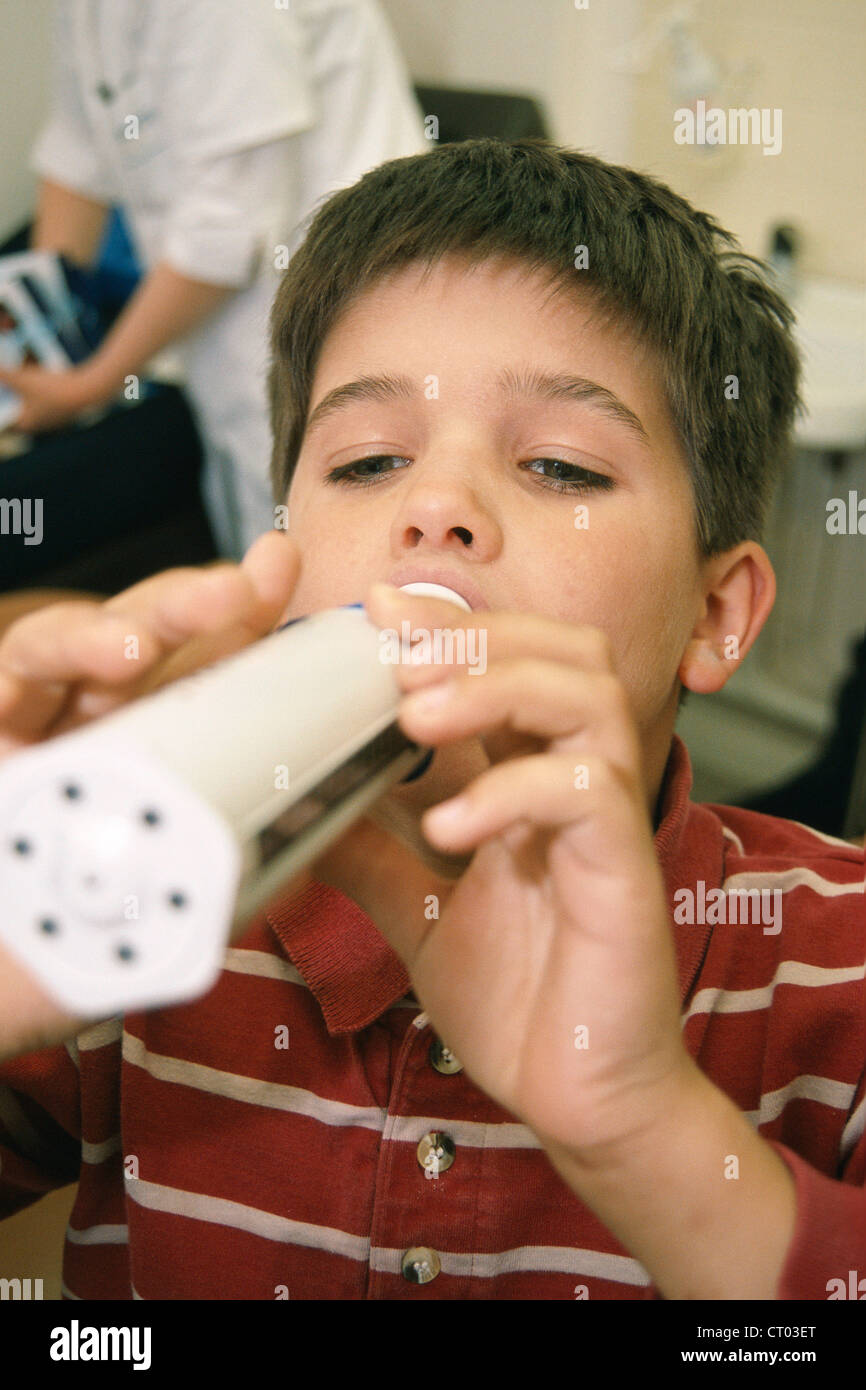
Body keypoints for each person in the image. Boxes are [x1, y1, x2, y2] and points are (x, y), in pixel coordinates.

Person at [0, 140, 863, 1301]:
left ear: (713, 612)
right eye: (365, 462)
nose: (435, 507)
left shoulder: (834, 975)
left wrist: (640, 1130)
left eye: (557, 464)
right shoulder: (151, 921)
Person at [0, 0, 426, 560]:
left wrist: (87, 386)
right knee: (265, 577)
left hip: (335, 322)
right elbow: (78, 155)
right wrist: (38, 330)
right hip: (226, 348)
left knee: (338, 587)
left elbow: (227, 232)